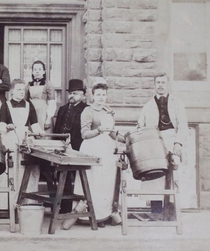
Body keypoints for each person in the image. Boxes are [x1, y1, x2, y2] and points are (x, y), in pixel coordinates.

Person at [71, 82, 124, 225]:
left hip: (107, 150)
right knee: (93, 183)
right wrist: (99, 130)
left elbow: (112, 133)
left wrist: (125, 139)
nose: (101, 97)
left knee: (106, 183)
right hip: (92, 149)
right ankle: (90, 216)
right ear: (92, 96)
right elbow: (84, 134)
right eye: (98, 94)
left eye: (104, 95)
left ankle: (103, 215)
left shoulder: (108, 111)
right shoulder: (88, 111)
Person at [136, 72, 189, 213]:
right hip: (154, 142)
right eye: (158, 82)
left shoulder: (177, 103)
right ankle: (156, 210)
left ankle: (172, 209)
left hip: (172, 139)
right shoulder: (147, 106)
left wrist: (178, 143)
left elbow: (183, 125)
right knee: (154, 171)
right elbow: (140, 126)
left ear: (167, 84)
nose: (160, 85)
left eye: (163, 82)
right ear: (154, 85)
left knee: (175, 171)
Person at [0, 79, 44, 205]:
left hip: (25, 138)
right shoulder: (5, 105)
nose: (21, 92)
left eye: (23, 90)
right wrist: (7, 127)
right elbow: (1, 124)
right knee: (12, 169)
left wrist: (39, 132)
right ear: (12, 91)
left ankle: (26, 202)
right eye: (18, 89)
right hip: (11, 139)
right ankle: (8, 204)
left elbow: (34, 124)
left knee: (26, 169)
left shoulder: (29, 105)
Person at [53, 79, 88, 212]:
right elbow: (57, 130)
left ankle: (78, 208)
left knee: (78, 179)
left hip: (78, 148)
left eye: (75, 93)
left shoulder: (86, 109)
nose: (72, 96)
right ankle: (64, 207)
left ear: (82, 95)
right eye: (70, 93)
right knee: (63, 177)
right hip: (61, 149)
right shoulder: (62, 109)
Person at [25, 60, 57, 133]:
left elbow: (52, 102)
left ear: (44, 71)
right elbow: (25, 101)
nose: (37, 71)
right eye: (35, 69)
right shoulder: (29, 84)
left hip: (43, 113)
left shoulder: (48, 84)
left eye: (39, 69)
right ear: (32, 72)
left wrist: (48, 118)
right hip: (31, 112)